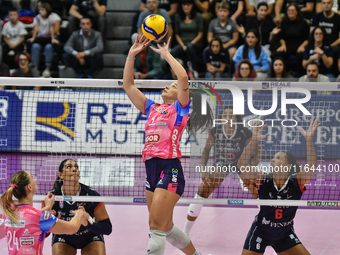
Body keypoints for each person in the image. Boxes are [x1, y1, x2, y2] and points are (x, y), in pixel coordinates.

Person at [123, 35, 212, 255]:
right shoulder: (152, 108)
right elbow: (128, 85)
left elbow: (182, 76)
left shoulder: (180, 108)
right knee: (166, 227)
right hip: (150, 169)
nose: (167, 86)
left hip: (169, 168)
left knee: (155, 228)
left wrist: (166, 54)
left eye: (171, 86)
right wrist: (130, 56)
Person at [237, 118, 320, 255]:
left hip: (284, 234)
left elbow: (312, 167)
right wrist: (254, 141)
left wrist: (309, 140)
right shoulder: (263, 178)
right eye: (273, 158)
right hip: (260, 232)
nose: (273, 160)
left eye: (278, 158)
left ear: (288, 167)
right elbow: (241, 166)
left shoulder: (296, 182)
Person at [183, 106, 252, 235]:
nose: (228, 118)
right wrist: (204, 170)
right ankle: (185, 232)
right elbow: (206, 150)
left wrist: (252, 166)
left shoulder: (244, 131)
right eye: (225, 115)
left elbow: (257, 148)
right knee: (203, 189)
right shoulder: (215, 131)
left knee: (257, 189)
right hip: (222, 163)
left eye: (231, 115)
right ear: (220, 118)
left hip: (241, 163)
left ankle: (269, 229)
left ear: (236, 118)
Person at [0, 170, 90, 255]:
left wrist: (47, 207)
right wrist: (80, 214)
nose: (34, 180)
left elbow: (29, 217)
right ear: (29, 187)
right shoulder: (40, 217)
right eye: (32, 178)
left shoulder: (9, 211)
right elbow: (73, 228)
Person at [46, 159, 112, 255]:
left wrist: (87, 223)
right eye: (69, 167)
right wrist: (50, 224)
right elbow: (43, 233)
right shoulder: (51, 198)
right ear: (60, 175)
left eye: (76, 167)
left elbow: (107, 228)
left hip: (90, 237)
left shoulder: (91, 195)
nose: (74, 169)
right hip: (64, 237)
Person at [270, 3, 309, 77]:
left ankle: (300, 74)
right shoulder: (284, 22)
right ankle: (282, 74)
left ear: (297, 12)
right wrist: (283, 45)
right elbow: (281, 37)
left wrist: (302, 46)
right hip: (287, 44)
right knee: (279, 53)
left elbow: (307, 39)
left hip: (300, 44)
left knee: (301, 54)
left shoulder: (303, 23)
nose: (291, 12)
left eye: (293, 10)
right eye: (289, 10)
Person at [27, 3, 61, 78]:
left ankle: (47, 68)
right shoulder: (38, 17)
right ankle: (35, 67)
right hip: (40, 38)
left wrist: (53, 39)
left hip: (48, 38)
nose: (40, 11)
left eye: (42, 10)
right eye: (40, 10)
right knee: (34, 46)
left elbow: (52, 29)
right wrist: (33, 38)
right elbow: (36, 28)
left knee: (48, 47)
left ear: (47, 10)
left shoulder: (51, 18)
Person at [171, 0, 204, 77]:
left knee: (190, 47)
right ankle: (174, 72)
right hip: (182, 43)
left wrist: (190, 44)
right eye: (184, 5)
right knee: (173, 51)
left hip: (195, 43)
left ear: (192, 5)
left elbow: (200, 34)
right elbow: (177, 34)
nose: (186, 7)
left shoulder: (198, 16)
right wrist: (183, 45)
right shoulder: (178, 16)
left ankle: (194, 71)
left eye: (188, 5)